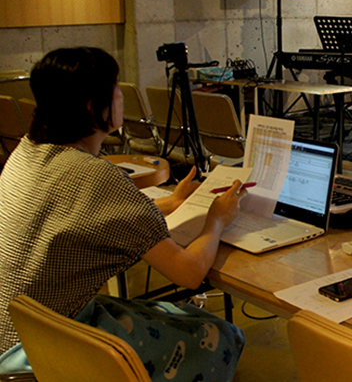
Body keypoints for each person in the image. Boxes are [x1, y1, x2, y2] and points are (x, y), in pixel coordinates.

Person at [0, 47, 246, 382]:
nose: (120, 94)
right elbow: (189, 273)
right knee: (219, 334)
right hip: (45, 342)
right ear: (93, 106)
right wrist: (217, 219)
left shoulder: (27, 152)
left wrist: (172, 203)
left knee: (165, 314)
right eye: (115, 87)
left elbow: (82, 218)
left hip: (18, 326)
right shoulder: (94, 175)